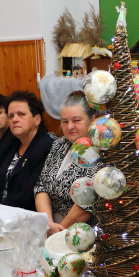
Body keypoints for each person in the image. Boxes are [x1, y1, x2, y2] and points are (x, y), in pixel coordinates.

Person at [34, 91, 96, 234]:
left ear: (92, 120)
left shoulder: (98, 152)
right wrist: (48, 223)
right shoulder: (59, 144)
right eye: (65, 121)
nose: (69, 127)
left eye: (76, 120)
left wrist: (58, 231)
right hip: (49, 226)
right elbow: (41, 186)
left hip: (80, 233)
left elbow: (87, 202)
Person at [0, 91, 53, 211]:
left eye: (21, 114)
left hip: (23, 215)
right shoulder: (9, 143)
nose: (15, 119)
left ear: (37, 120)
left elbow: (27, 195)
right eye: (11, 116)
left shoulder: (46, 146)